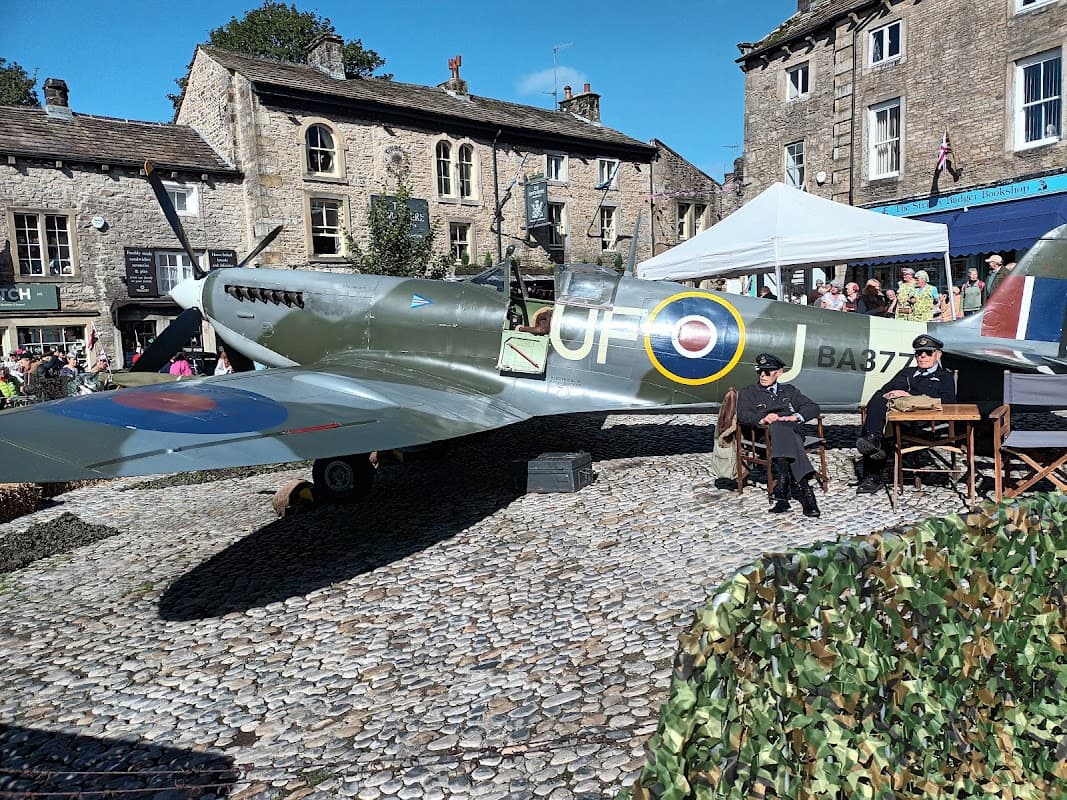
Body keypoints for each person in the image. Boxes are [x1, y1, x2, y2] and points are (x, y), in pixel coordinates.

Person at [855, 334, 957, 494]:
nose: (922, 356)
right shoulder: (907, 372)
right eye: (918, 353)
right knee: (879, 397)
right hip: (895, 416)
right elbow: (884, 389)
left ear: (938, 354)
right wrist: (888, 395)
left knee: (883, 430)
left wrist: (909, 397)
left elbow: (948, 402)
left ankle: (873, 474)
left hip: (921, 421)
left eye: (928, 353)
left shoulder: (944, 377)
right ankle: (872, 439)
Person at [736, 353, 821, 517]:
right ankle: (807, 493)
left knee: (783, 428)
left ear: (779, 373)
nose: (763, 375)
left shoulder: (789, 391)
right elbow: (743, 415)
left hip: (792, 429)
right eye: (760, 371)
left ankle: (783, 485)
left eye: (768, 372)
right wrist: (762, 418)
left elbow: (813, 407)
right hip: (767, 435)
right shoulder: (749, 392)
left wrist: (794, 417)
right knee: (779, 429)